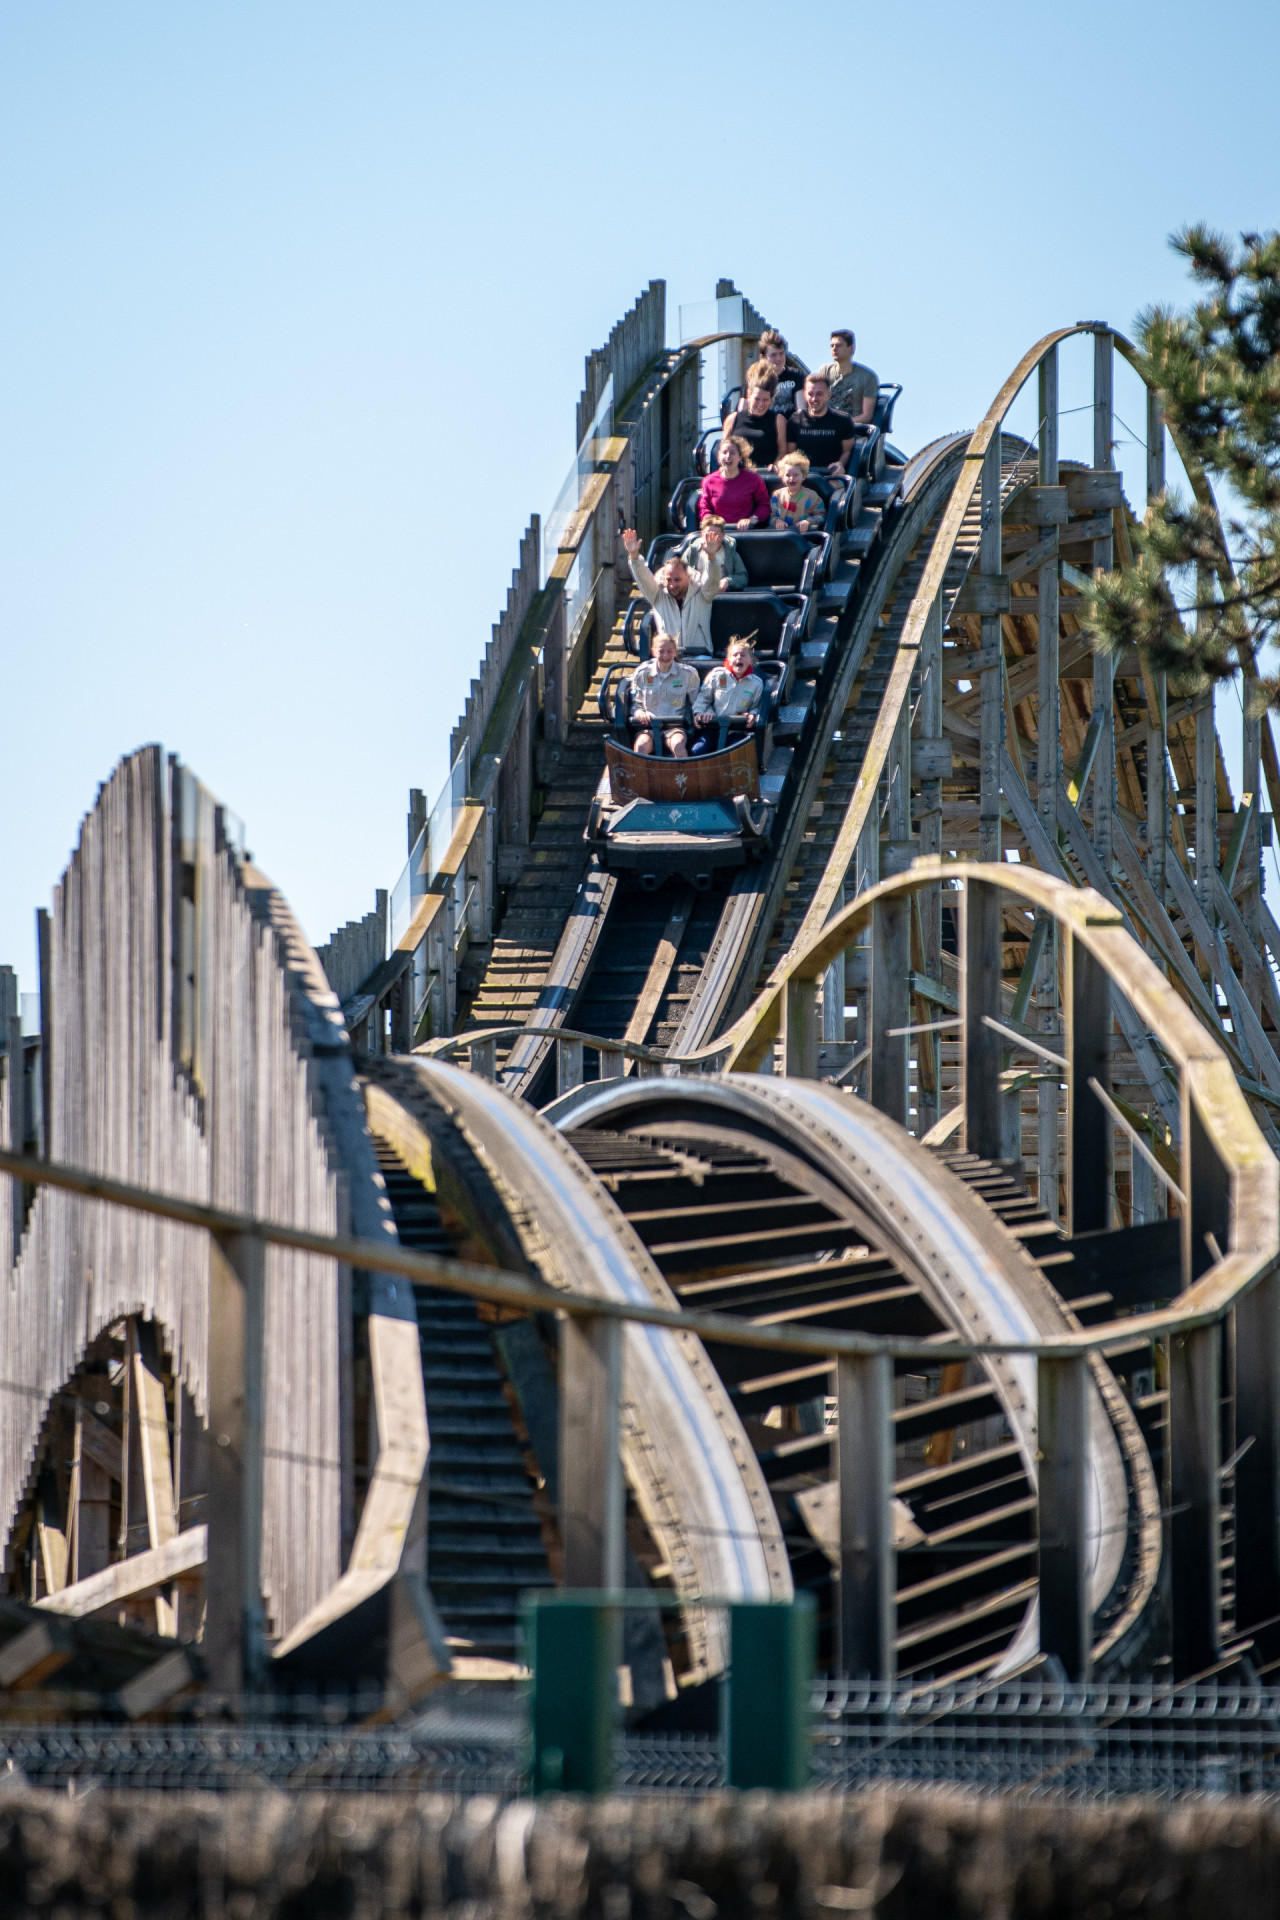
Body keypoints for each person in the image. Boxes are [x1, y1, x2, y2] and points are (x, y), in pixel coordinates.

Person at [623, 527, 721, 655]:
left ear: (688, 577)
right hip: (668, 658)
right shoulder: (658, 595)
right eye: (669, 580)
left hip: (700, 656)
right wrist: (634, 555)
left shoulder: (702, 593)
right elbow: (644, 578)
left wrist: (712, 557)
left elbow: (712, 580)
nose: (673, 585)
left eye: (677, 580)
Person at [629, 631, 701, 757]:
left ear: (675, 652)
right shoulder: (642, 673)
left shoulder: (688, 674)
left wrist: (696, 717)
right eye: (661, 651)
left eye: (670, 651)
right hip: (649, 727)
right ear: (653, 651)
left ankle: (684, 775)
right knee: (641, 746)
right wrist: (639, 713)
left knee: (678, 745)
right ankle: (640, 776)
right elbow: (636, 703)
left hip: (675, 727)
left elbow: (696, 702)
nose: (665, 655)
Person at [691, 638, 764, 755]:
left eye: (743, 655)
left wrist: (752, 715)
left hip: (737, 731)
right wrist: (700, 713)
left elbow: (756, 706)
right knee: (697, 751)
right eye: (735, 655)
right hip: (714, 728)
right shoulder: (716, 675)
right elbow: (704, 699)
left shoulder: (756, 683)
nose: (739, 658)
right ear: (729, 659)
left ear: (750, 660)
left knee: (734, 753)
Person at [786, 374, 855, 474]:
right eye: (810, 394)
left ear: (828, 395)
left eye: (819, 394)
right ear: (805, 395)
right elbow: (791, 453)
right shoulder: (795, 420)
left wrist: (840, 464)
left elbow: (847, 452)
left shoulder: (843, 420)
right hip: (802, 477)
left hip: (831, 475)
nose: (814, 399)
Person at [698, 435, 771, 530]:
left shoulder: (754, 479)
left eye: (732, 453)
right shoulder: (709, 481)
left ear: (740, 457)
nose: (728, 456)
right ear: (718, 457)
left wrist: (753, 519)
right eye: (724, 453)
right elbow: (704, 507)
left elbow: (764, 505)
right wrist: (711, 521)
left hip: (746, 532)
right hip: (718, 532)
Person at [721, 370, 785, 470]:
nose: (760, 404)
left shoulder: (778, 420)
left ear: (771, 400)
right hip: (739, 474)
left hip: (767, 474)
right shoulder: (733, 419)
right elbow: (723, 449)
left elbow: (783, 452)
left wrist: (776, 465)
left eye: (765, 400)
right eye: (757, 399)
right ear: (749, 396)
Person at [819, 329, 879, 426]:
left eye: (838, 345)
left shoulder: (867, 377)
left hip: (853, 430)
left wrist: (842, 424)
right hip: (825, 428)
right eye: (832, 346)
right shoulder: (825, 371)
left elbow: (867, 415)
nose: (834, 349)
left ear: (851, 348)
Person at [677, 515, 748, 590]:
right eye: (708, 535)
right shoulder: (693, 550)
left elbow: (743, 577)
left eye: (715, 535)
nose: (711, 539)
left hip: (720, 593)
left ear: (723, 535)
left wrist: (728, 581)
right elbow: (680, 572)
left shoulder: (729, 552)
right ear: (702, 534)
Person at [770, 451, 827, 533]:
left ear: (803, 476)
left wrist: (808, 521)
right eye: (787, 475)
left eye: (796, 475)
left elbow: (821, 516)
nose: (791, 479)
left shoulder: (811, 496)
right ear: (782, 476)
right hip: (782, 535)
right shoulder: (777, 495)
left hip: (803, 536)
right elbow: (772, 517)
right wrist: (777, 521)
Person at [757, 329, 806, 416]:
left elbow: (801, 411)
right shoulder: (756, 379)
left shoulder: (796, 376)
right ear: (763, 357)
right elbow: (744, 411)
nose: (778, 358)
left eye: (781, 354)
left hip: (791, 425)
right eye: (773, 355)